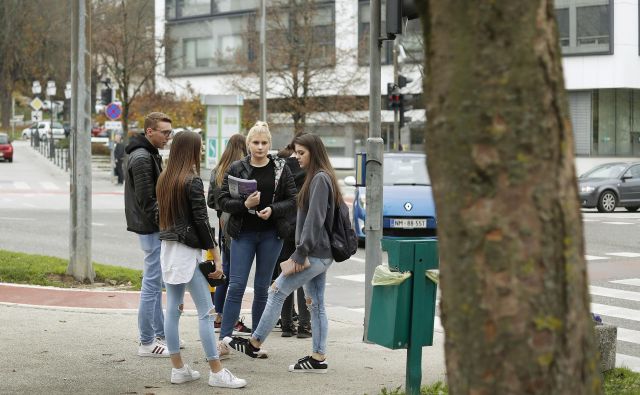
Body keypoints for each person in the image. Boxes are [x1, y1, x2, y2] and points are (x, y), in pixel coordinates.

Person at [223, 133, 340, 374]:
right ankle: (318, 358)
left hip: (314, 252)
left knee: (276, 290)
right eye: (296, 152)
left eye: (301, 153)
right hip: (321, 252)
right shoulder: (322, 177)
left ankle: (254, 344)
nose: (296, 157)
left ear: (314, 153)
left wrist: (300, 253)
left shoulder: (318, 179)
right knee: (316, 304)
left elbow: (315, 221)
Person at [156, 131, 246, 388]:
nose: (202, 151)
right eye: (200, 147)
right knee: (206, 312)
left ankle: (178, 369)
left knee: (173, 310)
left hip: (170, 250)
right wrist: (215, 254)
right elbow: (200, 221)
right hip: (188, 253)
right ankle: (216, 371)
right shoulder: (191, 180)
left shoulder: (165, 178)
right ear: (192, 150)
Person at [215, 121, 297, 358]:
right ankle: (224, 340)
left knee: (263, 289)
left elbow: (292, 200)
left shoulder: (281, 167)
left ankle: (256, 342)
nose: (259, 147)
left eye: (264, 143)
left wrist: (272, 209)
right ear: (248, 144)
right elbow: (221, 200)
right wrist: (244, 204)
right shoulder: (237, 167)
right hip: (243, 233)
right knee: (236, 286)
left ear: (270, 144)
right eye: (255, 142)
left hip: (272, 234)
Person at [124, 112, 172, 357]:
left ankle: (161, 335)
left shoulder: (148, 153)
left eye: (170, 132)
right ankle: (146, 341)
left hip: (150, 226)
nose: (168, 137)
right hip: (151, 227)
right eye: (164, 132)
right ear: (150, 131)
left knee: (154, 281)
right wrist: (166, 224)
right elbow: (147, 201)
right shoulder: (143, 157)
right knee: (152, 283)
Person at [206, 134, 248, 334]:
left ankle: (219, 315)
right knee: (236, 275)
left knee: (226, 269)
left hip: (223, 222)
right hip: (240, 224)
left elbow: (210, 201)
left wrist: (222, 210)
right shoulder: (242, 169)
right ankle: (230, 319)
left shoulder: (217, 170)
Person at [273, 138, 310, 338]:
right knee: (304, 276)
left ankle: (286, 324)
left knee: (285, 273)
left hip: (283, 227)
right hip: (302, 228)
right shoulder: (309, 170)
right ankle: (304, 325)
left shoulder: (281, 169)